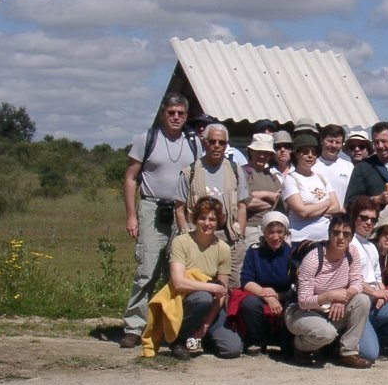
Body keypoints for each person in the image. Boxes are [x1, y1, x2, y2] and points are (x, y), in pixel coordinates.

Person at [120, 92, 200, 348]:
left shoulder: (194, 142)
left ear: (186, 116)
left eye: (181, 113)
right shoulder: (147, 139)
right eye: (171, 112)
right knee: (147, 270)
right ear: (163, 113)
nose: (175, 117)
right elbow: (131, 177)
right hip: (152, 208)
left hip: (182, 211)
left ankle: (168, 327)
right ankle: (134, 327)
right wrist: (131, 215)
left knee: (175, 272)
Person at [284, 214, 373, 368]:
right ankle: (300, 346)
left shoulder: (352, 253)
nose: (340, 238)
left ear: (351, 238)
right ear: (329, 234)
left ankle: (349, 353)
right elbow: (303, 302)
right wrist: (330, 296)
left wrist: (342, 298)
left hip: (329, 310)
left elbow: (357, 283)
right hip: (301, 312)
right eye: (336, 233)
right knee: (327, 333)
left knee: (363, 300)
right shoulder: (313, 259)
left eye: (346, 234)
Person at [165, 196, 243, 360]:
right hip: (185, 299)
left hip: (212, 305)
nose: (207, 223)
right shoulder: (181, 242)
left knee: (233, 349)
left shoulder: (223, 248)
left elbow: (221, 293)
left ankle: (202, 337)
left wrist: (205, 326)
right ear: (195, 219)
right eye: (203, 218)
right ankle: (178, 340)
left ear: (218, 221)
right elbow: (178, 282)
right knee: (203, 298)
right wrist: (211, 287)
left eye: (212, 219)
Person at [175, 122, 250, 287]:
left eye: (222, 142)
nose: (217, 146)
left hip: (229, 235)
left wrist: (240, 233)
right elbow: (179, 208)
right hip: (199, 236)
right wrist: (185, 233)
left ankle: (227, 313)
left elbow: (242, 205)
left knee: (232, 284)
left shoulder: (235, 170)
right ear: (204, 142)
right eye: (212, 141)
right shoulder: (190, 171)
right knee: (200, 282)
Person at [348, 196, 388, 360]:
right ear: (354, 218)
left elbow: (378, 278)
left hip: (373, 302)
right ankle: (348, 340)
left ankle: (375, 336)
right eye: (364, 218)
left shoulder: (371, 246)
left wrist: (383, 294)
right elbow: (349, 278)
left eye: (373, 219)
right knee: (369, 355)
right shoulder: (348, 243)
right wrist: (374, 293)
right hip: (358, 302)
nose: (368, 222)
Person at [230, 211, 291, 355]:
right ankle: (257, 339)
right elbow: (246, 281)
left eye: (279, 232)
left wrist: (277, 296)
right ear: (264, 233)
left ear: (285, 233)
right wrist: (268, 298)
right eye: (271, 232)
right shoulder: (254, 252)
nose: (275, 237)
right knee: (249, 303)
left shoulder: (292, 252)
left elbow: (296, 285)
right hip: (260, 296)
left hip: (283, 297)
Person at [281, 133, 337, 241]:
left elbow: (336, 207)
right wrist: (327, 203)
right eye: (305, 152)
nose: (310, 155)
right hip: (300, 241)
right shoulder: (291, 179)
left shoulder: (322, 178)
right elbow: (302, 212)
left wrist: (311, 210)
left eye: (314, 152)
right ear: (296, 154)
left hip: (325, 239)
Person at [345, 121, 388, 214]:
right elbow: (350, 203)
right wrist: (376, 200)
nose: (380, 146)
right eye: (376, 142)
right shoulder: (362, 168)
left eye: (384, 141)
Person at [241, 132, 283, 253]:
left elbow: (282, 202)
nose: (262, 156)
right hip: (252, 228)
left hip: (273, 230)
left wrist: (261, 194)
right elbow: (245, 202)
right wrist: (271, 198)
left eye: (266, 153)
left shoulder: (273, 177)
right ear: (251, 152)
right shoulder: (243, 173)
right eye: (259, 152)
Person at [314, 124, 353, 212]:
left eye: (338, 142)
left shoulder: (349, 167)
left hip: (341, 220)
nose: (334, 145)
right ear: (321, 141)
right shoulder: (312, 166)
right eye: (330, 141)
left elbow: (353, 195)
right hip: (317, 219)